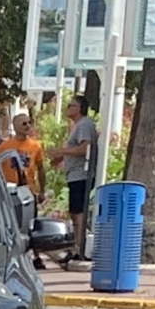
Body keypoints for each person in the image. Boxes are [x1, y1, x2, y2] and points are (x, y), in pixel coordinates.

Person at [56, 96, 99, 264]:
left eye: (71, 105)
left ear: (79, 108)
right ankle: (76, 245)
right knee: (74, 212)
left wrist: (61, 151)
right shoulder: (77, 126)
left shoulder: (84, 125)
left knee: (78, 212)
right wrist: (60, 158)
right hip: (74, 174)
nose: (67, 108)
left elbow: (84, 149)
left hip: (81, 174)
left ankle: (78, 247)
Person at [0, 109, 45, 201]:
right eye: (24, 124)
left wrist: (42, 191)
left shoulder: (35, 146)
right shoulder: (3, 147)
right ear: (15, 127)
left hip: (29, 191)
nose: (28, 126)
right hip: (10, 193)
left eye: (30, 123)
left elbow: (40, 168)